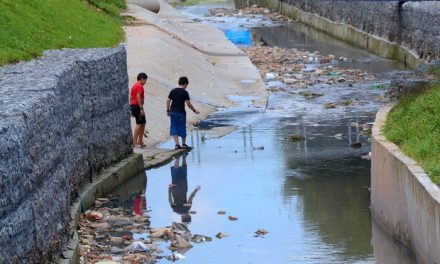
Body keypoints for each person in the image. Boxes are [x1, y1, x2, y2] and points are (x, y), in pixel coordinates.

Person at [166, 76, 199, 150]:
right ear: (185, 84)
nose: (186, 87)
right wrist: (194, 110)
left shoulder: (173, 91)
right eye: (186, 85)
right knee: (182, 127)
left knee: (174, 127)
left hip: (173, 112)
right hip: (181, 112)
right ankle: (183, 144)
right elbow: (188, 104)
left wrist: (168, 110)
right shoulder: (185, 92)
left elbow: (168, 100)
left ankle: (177, 145)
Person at [168, 155, 200, 223]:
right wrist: (169, 191)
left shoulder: (187, 208)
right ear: (182, 218)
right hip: (174, 190)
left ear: (188, 216)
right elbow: (170, 200)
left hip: (183, 187)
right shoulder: (175, 210)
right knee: (175, 173)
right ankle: (177, 158)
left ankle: (184, 157)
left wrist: (196, 190)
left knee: (183, 171)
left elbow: (190, 198)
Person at [130, 72, 148, 148]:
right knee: (140, 123)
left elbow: (131, 97)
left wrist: (131, 108)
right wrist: (141, 108)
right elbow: (138, 96)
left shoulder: (134, 85)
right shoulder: (139, 86)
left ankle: (140, 141)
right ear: (141, 79)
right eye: (145, 80)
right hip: (137, 106)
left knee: (143, 123)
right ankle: (135, 142)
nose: (145, 82)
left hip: (133, 105)